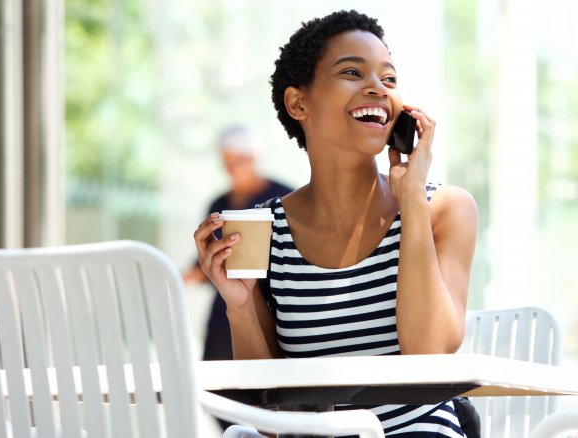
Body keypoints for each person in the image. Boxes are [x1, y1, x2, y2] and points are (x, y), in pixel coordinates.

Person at [194, 10, 478, 437]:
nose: (377, 89)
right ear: (298, 103)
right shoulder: (266, 230)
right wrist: (239, 306)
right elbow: (270, 419)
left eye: (389, 79)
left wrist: (411, 199)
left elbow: (428, 359)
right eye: (351, 71)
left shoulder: (444, 208)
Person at [184, 125, 291, 430]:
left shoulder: (284, 197)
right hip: (225, 312)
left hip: (271, 309)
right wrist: (180, 279)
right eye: (227, 161)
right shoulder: (219, 205)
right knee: (215, 392)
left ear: (254, 157)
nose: (232, 168)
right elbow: (205, 263)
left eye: (238, 160)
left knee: (267, 396)